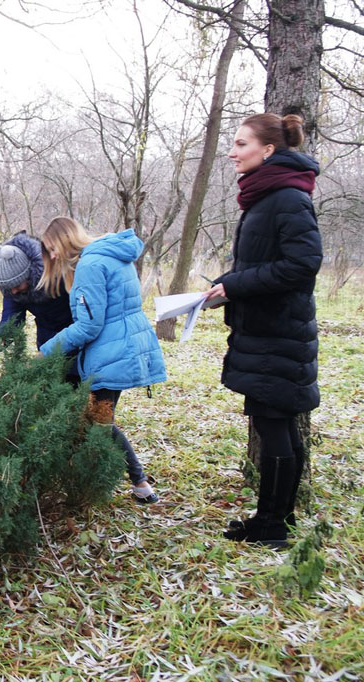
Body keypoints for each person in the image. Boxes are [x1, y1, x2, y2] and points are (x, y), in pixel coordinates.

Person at [204, 113, 322, 549]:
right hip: (266, 331)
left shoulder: (287, 197)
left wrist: (237, 284)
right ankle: (272, 519)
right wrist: (226, 285)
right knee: (275, 424)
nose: (232, 152)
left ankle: (274, 525)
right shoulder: (266, 195)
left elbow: (303, 264)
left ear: (268, 150)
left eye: (240, 144)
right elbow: (264, 263)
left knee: (275, 425)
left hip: (279, 333)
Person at [36, 217, 165, 504]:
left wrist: (46, 351)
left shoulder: (90, 265)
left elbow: (88, 326)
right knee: (98, 421)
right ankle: (137, 483)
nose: (53, 256)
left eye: (52, 248)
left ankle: (138, 483)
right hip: (123, 346)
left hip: (113, 353)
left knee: (98, 422)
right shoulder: (112, 254)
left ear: (64, 240)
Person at [0, 232, 77, 382]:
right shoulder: (12, 288)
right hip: (46, 338)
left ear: (28, 273)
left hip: (76, 335)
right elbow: (11, 317)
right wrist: (0, 341)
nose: (14, 291)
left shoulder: (57, 272)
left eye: (16, 286)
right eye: (9, 289)